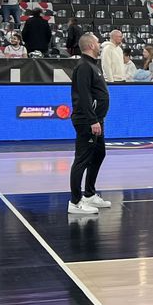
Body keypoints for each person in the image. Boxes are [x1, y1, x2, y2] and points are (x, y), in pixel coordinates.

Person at [68, 33, 112, 215]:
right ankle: (75, 202)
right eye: (98, 42)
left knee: (99, 154)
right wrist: (93, 120)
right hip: (87, 121)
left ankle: (89, 194)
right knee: (82, 159)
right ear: (92, 45)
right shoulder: (84, 67)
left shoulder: (93, 65)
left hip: (97, 120)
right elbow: (84, 96)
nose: (100, 44)